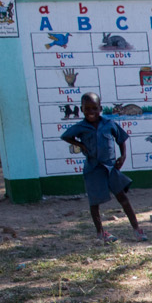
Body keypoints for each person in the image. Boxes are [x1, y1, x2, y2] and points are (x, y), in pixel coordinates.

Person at [61, 93, 145, 243]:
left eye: (94, 108)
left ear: (100, 108)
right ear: (82, 109)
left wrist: (123, 156)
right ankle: (100, 233)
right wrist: (81, 145)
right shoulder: (81, 127)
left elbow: (121, 139)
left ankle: (137, 229)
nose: (91, 112)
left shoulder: (109, 124)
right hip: (93, 169)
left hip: (111, 168)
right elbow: (66, 136)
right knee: (94, 203)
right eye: (87, 109)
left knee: (123, 199)